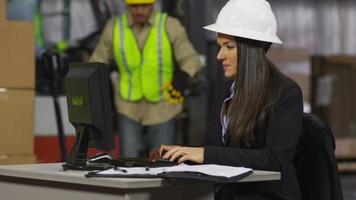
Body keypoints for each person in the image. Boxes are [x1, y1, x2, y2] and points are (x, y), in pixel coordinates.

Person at [149, 0, 303, 199]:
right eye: (220, 46)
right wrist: (181, 156)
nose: (219, 56)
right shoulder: (226, 92)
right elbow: (218, 153)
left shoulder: (286, 93)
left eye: (228, 47)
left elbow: (275, 159)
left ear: (250, 49)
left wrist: (204, 154)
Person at [90, 0, 201, 157]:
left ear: (153, 5)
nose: (139, 11)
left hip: (162, 107)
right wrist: (97, 86)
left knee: (162, 160)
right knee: (129, 161)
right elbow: (97, 62)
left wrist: (184, 75)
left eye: (144, 6)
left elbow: (191, 58)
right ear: (126, 6)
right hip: (127, 106)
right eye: (134, 6)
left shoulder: (170, 25)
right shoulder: (114, 27)